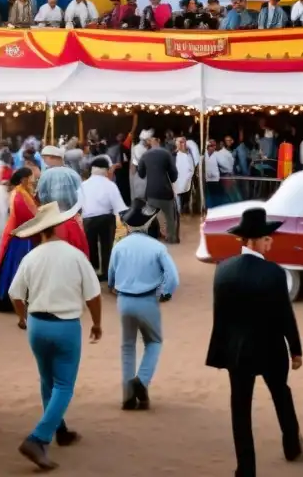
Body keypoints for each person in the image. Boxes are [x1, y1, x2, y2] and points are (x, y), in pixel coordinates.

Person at [206, 207, 303, 476]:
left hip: (236, 351)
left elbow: (221, 316)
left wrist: (222, 349)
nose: (270, 241)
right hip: (270, 348)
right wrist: (295, 350)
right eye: (266, 237)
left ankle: (246, 468)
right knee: (281, 395)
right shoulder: (273, 272)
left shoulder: (223, 270)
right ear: (252, 240)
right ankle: (292, 444)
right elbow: (285, 314)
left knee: (240, 409)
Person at [9, 202, 103, 471]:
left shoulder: (32, 257)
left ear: (40, 231)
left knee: (48, 380)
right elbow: (93, 295)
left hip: (37, 324)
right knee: (64, 385)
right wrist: (96, 323)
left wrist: (22, 318)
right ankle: (38, 437)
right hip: (66, 324)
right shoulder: (74, 256)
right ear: (59, 226)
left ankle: (58, 429)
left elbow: (15, 294)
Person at [108, 200, 179, 410]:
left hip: (124, 300)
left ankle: (128, 395)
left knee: (127, 346)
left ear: (128, 225)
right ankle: (142, 380)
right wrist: (165, 292)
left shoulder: (119, 246)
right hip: (148, 299)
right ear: (148, 225)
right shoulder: (157, 247)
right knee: (154, 342)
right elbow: (173, 278)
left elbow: (111, 278)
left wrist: (115, 287)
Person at [0, 168, 39, 314]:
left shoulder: (22, 192)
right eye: (31, 178)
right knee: (18, 268)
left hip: (22, 234)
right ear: (24, 179)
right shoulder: (19, 194)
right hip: (21, 237)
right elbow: (28, 215)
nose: (33, 181)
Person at [82, 156, 127, 282]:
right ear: (106, 170)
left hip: (87, 219)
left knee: (89, 247)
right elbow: (119, 207)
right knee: (107, 246)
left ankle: (90, 274)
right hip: (106, 218)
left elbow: (78, 204)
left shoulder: (83, 185)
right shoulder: (110, 185)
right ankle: (107, 273)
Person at [138, 137, 179, 244]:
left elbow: (141, 174)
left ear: (150, 144)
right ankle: (172, 239)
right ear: (159, 142)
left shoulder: (144, 155)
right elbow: (174, 174)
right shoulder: (166, 154)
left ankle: (151, 239)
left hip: (151, 192)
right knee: (170, 217)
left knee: (150, 217)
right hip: (166, 191)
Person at [173, 136, 196, 215]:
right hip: (177, 183)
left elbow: (192, 168)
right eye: (180, 142)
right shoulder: (173, 155)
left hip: (188, 183)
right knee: (178, 206)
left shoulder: (190, 154)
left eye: (183, 142)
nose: (182, 144)